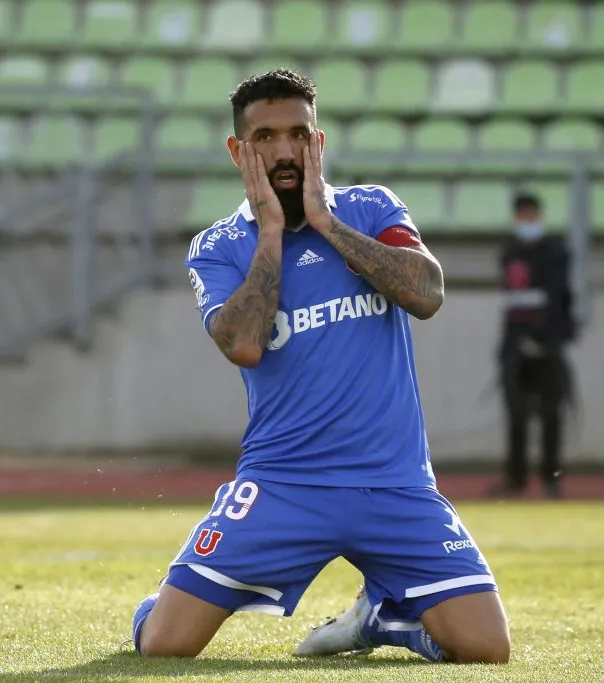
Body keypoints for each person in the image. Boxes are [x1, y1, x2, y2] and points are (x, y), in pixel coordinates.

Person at [130, 69, 510, 663]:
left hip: (395, 484)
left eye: (297, 134)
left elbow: (428, 294)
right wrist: (273, 233)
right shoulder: (218, 246)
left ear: (319, 142)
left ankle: (388, 619)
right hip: (284, 485)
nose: (284, 151)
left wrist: (327, 225)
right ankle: (169, 601)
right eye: (264, 138)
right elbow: (244, 344)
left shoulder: (370, 207)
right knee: (164, 646)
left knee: (487, 648)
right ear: (238, 150)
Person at [492, 192, 576, 499]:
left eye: (531, 215)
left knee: (551, 412)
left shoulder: (556, 252)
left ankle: (551, 477)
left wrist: (549, 338)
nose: (527, 221)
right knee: (516, 412)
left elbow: (559, 300)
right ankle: (516, 479)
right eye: (522, 215)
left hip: (549, 344)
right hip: (515, 344)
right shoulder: (509, 252)